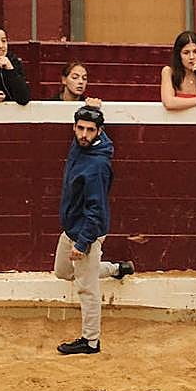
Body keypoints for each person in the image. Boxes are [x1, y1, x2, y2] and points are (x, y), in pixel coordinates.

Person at [54, 106, 134, 355]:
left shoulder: (97, 165)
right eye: (80, 128)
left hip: (86, 233)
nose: (84, 134)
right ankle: (116, 269)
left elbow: (96, 210)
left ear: (99, 131)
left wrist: (83, 242)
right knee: (63, 272)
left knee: (86, 288)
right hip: (71, 228)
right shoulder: (80, 145)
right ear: (74, 128)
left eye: (90, 130)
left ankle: (90, 341)